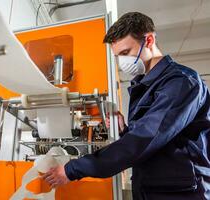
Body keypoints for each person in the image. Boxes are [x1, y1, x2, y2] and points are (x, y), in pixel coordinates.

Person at [42, 12, 210, 199]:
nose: (123, 62)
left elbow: (143, 140)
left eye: (125, 53)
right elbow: (156, 139)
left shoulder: (180, 83)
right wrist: (124, 130)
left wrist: (72, 169)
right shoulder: (145, 86)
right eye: (118, 56)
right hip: (154, 188)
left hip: (183, 193)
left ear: (149, 40)